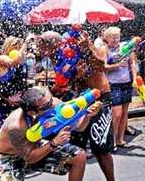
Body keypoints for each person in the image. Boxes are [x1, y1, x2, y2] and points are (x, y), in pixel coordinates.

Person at [37, 31, 116, 181]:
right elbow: (66, 80)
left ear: (53, 43)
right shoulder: (57, 57)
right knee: (75, 149)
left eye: (43, 47)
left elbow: (102, 64)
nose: (41, 51)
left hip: (99, 97)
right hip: (78, 99)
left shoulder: (80, 46)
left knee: (100, 148)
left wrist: (88, 49)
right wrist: (57, 88)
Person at [0, 87, 101, 181]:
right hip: (7, 155)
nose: (52, 105)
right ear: (32, 112)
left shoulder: (53, 103)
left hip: (35, 146)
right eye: (46, 106)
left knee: (79, 156)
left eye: (51, 100)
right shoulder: (17, 126)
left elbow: (80, 127)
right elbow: (29, 158)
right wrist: (53, 143)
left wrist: (88, 115)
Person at [100, 27, 137, 149]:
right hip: (113, 84)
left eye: (117, 37)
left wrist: (135, 79)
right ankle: (111, 140)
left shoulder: (125, 47)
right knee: (117, 114)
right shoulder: (104, 50)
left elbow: (132, 64)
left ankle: (120, 139)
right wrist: (117, 65)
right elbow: (104, 66)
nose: (116, 39)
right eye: (113, 37)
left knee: (124, 113)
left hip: (126, 82)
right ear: (107, 38)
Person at [0, 34, 34, 124]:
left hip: (19, 99)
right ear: (8, 46)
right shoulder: (2, 58)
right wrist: (26, 43)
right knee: (9, 125)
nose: (18, 49)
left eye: (19, 46)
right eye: (16, 46)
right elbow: (14, 62)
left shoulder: (22, 60)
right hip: (6, 100)